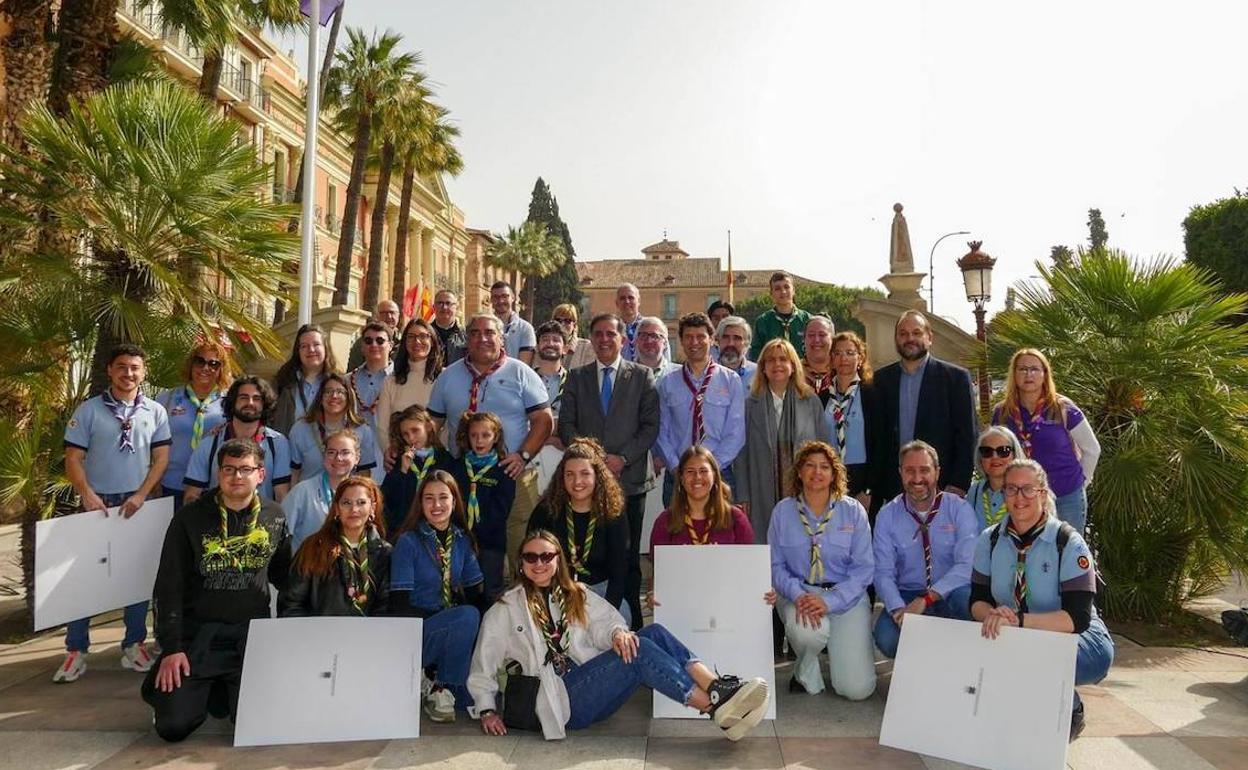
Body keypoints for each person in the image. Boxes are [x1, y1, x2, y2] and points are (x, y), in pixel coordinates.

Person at [468, 530, 770, 741]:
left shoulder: (575, 594)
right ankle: (716, 707)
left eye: (546, 556)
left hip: (591, 686)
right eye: (531, 557)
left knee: (652, 633)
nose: (539, 564)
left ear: (558, 560)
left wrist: (617, 634)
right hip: (556, 699)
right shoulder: (505, 609)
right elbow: (484, 662)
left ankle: (715, 687)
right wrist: (486, 709)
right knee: (641, 651)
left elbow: (606, 622)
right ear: (520, 563)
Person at [142, 439, 292, 742]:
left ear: (261, 474)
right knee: (173, 727)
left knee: (259, 726)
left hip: (250, 637)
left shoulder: (274, 515)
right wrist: (172, 648)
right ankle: (165, 690)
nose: (237, 476)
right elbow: (169, 586)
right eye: (229, 469)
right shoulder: (190, 517)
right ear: (218, 473)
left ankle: (222, 693)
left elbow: (285, 577)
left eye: (245, 469)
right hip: (199, 636)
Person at [971, 459, 1114, 740]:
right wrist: (994, 616)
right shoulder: (989, 540)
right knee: (997, 651)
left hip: (1080, 639)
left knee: (1029, 657)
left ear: (1042, 493)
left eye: (1028, 489)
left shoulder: (1068, 542)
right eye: (1012, 489)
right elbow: (976, 600)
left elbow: (1077, 618)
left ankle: (1070, 708)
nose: (1019, 497)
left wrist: (1019, 622)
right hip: (1020, 632)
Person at [60, 344, 170, 682]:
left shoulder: (155, 411)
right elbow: (73, 458)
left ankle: (133, 644)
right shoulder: (89, 411)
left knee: (136, 576)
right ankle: (76, 649)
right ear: (110, 370)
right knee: (85, 577)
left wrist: (142, 494)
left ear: (143, 372)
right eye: (122, 366)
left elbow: (161, 458)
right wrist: (87, 494)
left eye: (135, 367)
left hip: (137, 503)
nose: (128, 373)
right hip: (96, 503)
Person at [557, 313, 659, 630]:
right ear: (591, 338)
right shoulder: (577, 377)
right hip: (587, 484)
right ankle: (592, 624)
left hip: (630, 481)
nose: (604, 339)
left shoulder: (642, 376)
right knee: (593, 553)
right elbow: (566, 425)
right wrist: (592, 461)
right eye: (598, 334)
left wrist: (623, 458)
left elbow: (650, 426)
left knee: (628, 557)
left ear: (622, 339)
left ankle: (634, 626)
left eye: (610, 334)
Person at [427, 313, 553, 562]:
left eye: (489, 333)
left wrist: (523, 455)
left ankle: (521, 584)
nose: (482, 338)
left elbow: (544, 420)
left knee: (521, 541)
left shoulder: (521, 372)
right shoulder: (447, 376)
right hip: (464, 476)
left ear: (501, 339)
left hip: (515, 472)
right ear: (467, 339)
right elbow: (432, 425)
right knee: (465, 539)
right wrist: (444, 461)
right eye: (475, 333)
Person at [769, 441, 875, 700]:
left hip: (846, 598)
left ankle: (842, 655)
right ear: (799, 472)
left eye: (824, 467)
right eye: (810, 465)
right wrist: (798, 595)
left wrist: (830, 601)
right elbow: (775, 565)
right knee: (807, 633)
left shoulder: (853, 511)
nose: (817, 472)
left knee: (856, 690)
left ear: (834, 473)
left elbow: (864, 569)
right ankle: (806, 667)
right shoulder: (782, 512)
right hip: (801, 595)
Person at [391, 471, 487, 722]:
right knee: (466, 616)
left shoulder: (462, 540)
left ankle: (438, 682)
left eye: (443, 497)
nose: (436, 505)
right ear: (420, 503)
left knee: (470, 701)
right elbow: (399, 605)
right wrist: (450, 623)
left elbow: (477, 594)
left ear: (454, 501)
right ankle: (440, 686)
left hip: (450, 628)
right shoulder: (408, 542)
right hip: (415, 632)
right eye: (429, 498)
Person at [871, 441, 978, 659]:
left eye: (924, 470)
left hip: (950, 591)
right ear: (900, 473)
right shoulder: (887, 515)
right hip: (907, 593)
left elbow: (966, 565)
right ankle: (921, 664)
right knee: (887, 638)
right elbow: (883, 572)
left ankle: (962, 660)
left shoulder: (959, 509)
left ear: (937, 472)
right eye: (910, 471)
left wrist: (927, 599)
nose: (917, 478)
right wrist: (898, 609)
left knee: (968, 604)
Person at [871, 310, 978, 509]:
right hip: (893, 492)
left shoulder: (955, 379)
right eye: (903, 334)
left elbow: (967, 435)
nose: (909, 338)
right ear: (896, 339)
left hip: (942, 490)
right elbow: (875, 438)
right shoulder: (881, 381)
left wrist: (958, 484)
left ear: (930, 338)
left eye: (916, 333)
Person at [992, 348, 1101, 534]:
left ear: (1045, 374)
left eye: (1035, 369)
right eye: (1022, 369)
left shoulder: (1062, 408)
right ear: (1014, 374)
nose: (1029, 374)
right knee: (1028, 548)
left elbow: (1092, 449)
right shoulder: (1002, 413)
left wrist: (1080, 484)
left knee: (1067, 548)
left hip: (1066, 497)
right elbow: (996, 455)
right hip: (1023, 498)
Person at [529, 439, 632, 625]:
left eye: (585, 474)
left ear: (597, 476)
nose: (577, 482)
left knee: (623, 616)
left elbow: (619, 574)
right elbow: (531, 560)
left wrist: (606, 615)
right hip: (557, 590)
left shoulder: (613, 514)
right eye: (570, 474)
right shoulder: (546, 512)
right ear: (561, 477)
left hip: (600, 591)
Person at [736, 339, 830, 540]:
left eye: (783, 359)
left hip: (803, 487)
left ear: (793, 366)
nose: (777, 364)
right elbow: (741, 454)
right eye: (770, 360)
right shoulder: (750, 405)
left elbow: (826, 449)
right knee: (766, 542)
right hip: (761, 489)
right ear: (763, 368)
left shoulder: (810, 401)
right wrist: (743, 494)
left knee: (802, 542)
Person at [655, 312, 745, 507]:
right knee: (677, 526)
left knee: (721, 526)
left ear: (712, 340)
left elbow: (736, 432)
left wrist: (711, 468)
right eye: (688, 337)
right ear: (681, 341)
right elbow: (662, 431)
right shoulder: (667, 383)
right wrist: (676, 467)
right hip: (678, 473)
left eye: (700, 336)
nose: (694, 342)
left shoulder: (731, 380)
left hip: (720, 472)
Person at [279, 476, 391, 617]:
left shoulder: (384, 553)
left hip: (369, 631)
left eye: (361, 502)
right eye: (346, 503)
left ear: (372, 508)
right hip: (319, 630)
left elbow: (386, 606)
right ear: (337, 508)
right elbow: (290, 603)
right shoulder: (314, 547)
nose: (354, 509)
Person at [183, 376, 292, 503]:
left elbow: (282, 495)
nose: (250, 403)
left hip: (262, 515)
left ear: (264, 404)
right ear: (233, 402)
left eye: (256, 399)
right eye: (243, 397)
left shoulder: (278, 443)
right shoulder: (209, 444)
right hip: (217, 514)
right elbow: (192, 495)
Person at [156, 340, 233, 507]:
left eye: (213, 364)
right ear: (191, 364)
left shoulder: (231, 402)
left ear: (221, 369)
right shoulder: (167, 399)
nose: (205, 368)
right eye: (200, 361)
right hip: (171, 484)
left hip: (214, 486)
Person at [449, 411, 516, 599]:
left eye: (486, 435)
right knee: (462, 590)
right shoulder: (457, 466)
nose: (479, 441)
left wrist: (478, 535)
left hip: (491, 543)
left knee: (490, 591)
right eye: (474, 435)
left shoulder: (504, 469)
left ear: (496, 437)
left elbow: (501, 509)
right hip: (460, 539)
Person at [650, 447, 754, 550]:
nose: (697, 477)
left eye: (703, 471)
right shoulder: (665, 521)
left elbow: (748, 558)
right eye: (690, 471)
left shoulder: (736, 519)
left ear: (714, 476)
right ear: (681, 478)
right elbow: (658, 560)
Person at [287, 373, 379, 484]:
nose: (334, 396)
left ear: (349, 397)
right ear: (320, 397)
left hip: (346, 493)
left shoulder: (362, 430)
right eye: (328, 392)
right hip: (310, 493)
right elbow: (294, 472)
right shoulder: (301, 429)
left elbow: (364, 473)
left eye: (340, 392)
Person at [281, 430, 364, 551]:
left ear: (357, 458)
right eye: (331, 452)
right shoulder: (303, 492)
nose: (338, 458)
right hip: (308, 561)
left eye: (345, 452)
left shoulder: (363, 493)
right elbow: (281, 535)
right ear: (324, 456)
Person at [380, 405, 454, 536]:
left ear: (428, 427)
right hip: (404, 530)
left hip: (436, 530)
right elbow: (387, 497)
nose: (411, 438)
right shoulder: (398, 460)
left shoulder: (445, 460)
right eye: (405, 434)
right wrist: (403, 471)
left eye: (415, 430)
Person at [377, 317, 445, 454]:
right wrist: (388, 451)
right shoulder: (391, 381)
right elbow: (382, 426)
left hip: (440, 456)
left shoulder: (445, 377)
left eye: (423, 336)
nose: (417, 341)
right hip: (402, 456)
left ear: (432, 341)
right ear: (404, 343)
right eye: (411, 337)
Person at [827, 331, 879, 503]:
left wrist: (869, 489)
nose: (843, 358)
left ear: (860, 358)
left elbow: (881, 445)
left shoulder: (872, 395)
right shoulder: (822, 397)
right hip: (829, 476)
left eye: (850, 353)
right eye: (837, 353)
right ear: (831, 359)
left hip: (862, 479)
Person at [272, 323, 339, 435]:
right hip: (289, 445)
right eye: (304, 346)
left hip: (328, 445)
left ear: (325, 348)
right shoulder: (282, 382)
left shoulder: (339, 384)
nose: (311, 350)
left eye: (316, 344)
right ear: (298, 351)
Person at [965, 426, 1025, 530]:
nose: (995, 457)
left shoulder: (1030, 490)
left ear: (1015, 455)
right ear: (980, 458)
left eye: (1003, 451)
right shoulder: (974, 491)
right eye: (987, 451)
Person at [348, 321, 393, 446]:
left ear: (390, 346)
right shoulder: (347, 381)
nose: (374, 345)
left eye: (380, 341)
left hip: (389, 451)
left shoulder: (401, 380)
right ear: (362, 347)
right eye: (368, 341)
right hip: (355, 451)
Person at [748, 271, 811, 360]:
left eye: (786, 287)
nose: (783, 291)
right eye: (777, 288)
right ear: (771, 293)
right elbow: (756, 354)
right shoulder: (763, 322)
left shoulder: (808, 320)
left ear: (793, 290)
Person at [346, 300, 402, 370]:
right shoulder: (363, 342)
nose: (389, 316)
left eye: (392, 312)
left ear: (398, 316)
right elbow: (353, 369)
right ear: (377, 316)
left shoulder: (405, 342)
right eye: (384, 313)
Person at [490, 281, 536, 365]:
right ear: (491, 300)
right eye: (496, 297)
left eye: (505, 296)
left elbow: (524, 365)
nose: (500, 300)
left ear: (513, 298)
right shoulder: (483, 327)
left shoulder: (525, 328)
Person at [533, 320, 569, 422]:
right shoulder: (525, 381)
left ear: (565, 349)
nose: (550, 344)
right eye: (545, 339)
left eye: (556, 340)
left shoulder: (573, 382)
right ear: (537, 347)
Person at [801, 316, 837, 408]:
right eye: (811, 335)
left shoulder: (843, 371)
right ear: (804, 339)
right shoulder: (792, 372)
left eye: (822, 335)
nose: (816, 340)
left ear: (833, 339)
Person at [715, 315, 757, 389]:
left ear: (747, 343)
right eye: (725, 337)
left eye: (737, 338)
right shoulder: (707, 373)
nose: (730, 343)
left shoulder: (758, 374)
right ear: (718, 341)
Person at [553, 302, 595, 370]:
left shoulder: (586, 347)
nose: (562, 324)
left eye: (567, 321)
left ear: (574, 325)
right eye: (558, 320)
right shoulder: (544, 346)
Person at [432, 290, 468, 366]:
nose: (444, 307)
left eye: (448, 303)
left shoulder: (466, 336)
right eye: (440, 303)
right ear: (434, 307)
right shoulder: (425, 333)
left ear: (456, 308)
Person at [616, 282, 643, 361]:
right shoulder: (612, 329)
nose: (627, 301)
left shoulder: (651, 327)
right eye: (622, 298)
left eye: (631, 297)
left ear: (638, 301)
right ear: (617, 303)